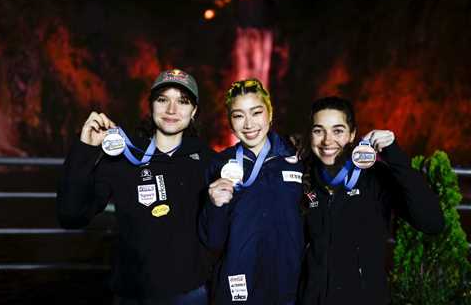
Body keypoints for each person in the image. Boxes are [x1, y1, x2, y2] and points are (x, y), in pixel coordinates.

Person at [57, 69, 215, 305]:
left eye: (182, 101)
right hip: (132, 295)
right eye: (163, 99)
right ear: (151, 106)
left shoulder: (208, 162)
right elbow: (71, 216)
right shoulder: (124, 158)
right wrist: (85, 150)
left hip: (189, 295)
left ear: (193, 112)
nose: (171, 110)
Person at [298, 96, 444, 305]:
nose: (327, 140)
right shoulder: (302, 177)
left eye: (337, 130)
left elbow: (432, 222)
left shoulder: (374, 178)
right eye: (318, 130)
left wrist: (395, 155)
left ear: (352, 134)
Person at [199, 78, 305, 305]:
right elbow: (213, 241)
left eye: (256, 112)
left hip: (287, 288)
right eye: (238, 115)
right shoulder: (219, 164)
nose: (248, 124)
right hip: (237, 287)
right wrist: (214, 205)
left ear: (270, 113)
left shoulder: (296, 159)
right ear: (230, 121)